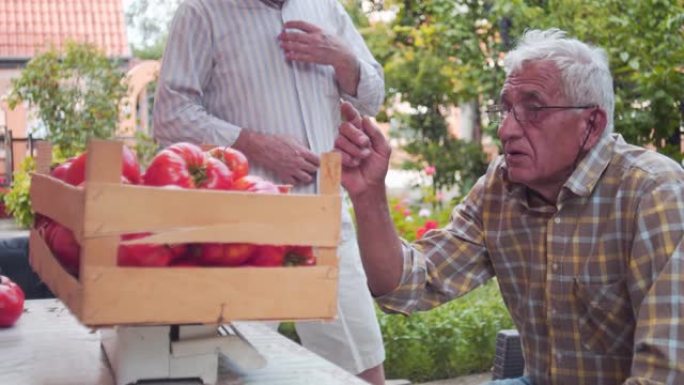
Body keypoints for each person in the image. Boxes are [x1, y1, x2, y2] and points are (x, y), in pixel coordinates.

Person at [335, 28, 684, 385]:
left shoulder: (653, 192)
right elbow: (405, 286)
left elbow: (665, 374)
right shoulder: (501, 188)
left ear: (591, 125)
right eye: (505, 109)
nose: (506, 130)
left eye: (533, 110)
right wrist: (368, 194)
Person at [152, 0, 386, 383]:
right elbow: (170, 116)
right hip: (240, 234)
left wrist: (344, 59)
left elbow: (373, 96)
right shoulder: (201, 12)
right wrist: (252, 144)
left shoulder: (325, 8)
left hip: (326, 225)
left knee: (363, 370)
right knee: (233, 372)